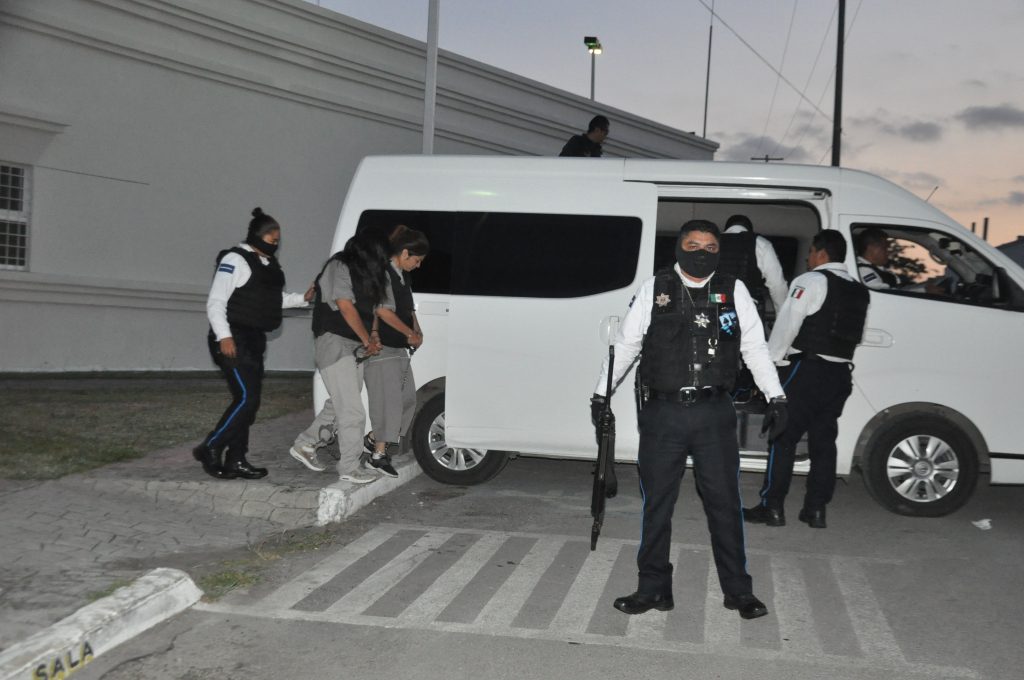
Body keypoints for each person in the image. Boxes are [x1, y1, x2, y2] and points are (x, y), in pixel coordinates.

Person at [591, 219, 788, 620]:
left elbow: (754, 348)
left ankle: (738, 591)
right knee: (657, 505)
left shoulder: (734, 290)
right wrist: (601, 393)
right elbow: (626, 345)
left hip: (714, 413)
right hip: (664, 413)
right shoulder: (656, 288)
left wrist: (776, 395)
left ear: (720, 252)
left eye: (710, 247)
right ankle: (653, 588)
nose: (702, 253)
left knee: (725, 504)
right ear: (679, 248)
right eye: (694, 245)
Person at [744, 230, 869, 529]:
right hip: (840, 375)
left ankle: (772, 507)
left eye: (811, 252)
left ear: (821, 253)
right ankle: (815, 510)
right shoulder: (860, 291)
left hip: (806, 372)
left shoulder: (811, 281)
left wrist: (768, 370)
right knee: (823, 443)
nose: (808, 258)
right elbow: (859, 336)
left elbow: (786, 327)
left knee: (782, 438)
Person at [194, 207, 312, 480]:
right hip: (233, 338)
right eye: (272, 240)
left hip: (254, 339)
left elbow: (270, 301)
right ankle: (210, 447)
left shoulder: (268, 266)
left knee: (247, 402)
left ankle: (236, 459)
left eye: (277, 241)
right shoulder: (235, 260)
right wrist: (224, 337)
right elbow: (216, 301)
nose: (275, 245)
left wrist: (303, 298)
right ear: (257, 236)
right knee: (247, 399)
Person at [288, 232, 390, 484]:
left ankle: (306, 444)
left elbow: (373, 310)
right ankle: (349, 467)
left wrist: (372, 336)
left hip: (354, 345)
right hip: (333, 342)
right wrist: (366, 340)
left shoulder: (368, 275)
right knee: (352, 410)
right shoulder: (338, 266)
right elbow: (344, 305)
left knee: (340, 403)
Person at [361, 226, 429, 477]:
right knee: (388, 402)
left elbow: (409, 309)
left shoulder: (403, 276)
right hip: (383, 347)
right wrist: (409, 333)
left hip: (400, 348)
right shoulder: (383, 273)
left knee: (407, 399)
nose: (418, 266)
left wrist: (417, 330)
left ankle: (373, 438)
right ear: (405, 252)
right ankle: (377, 456)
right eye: (417, 260)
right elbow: (382, 310)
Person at [717, 214, 789, 315]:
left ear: (726, 229)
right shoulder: (761, 244)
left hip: (715, 306)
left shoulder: (712, 243)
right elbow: (777, 285)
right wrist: (782, 317)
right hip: (746, 310)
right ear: (750, 231)